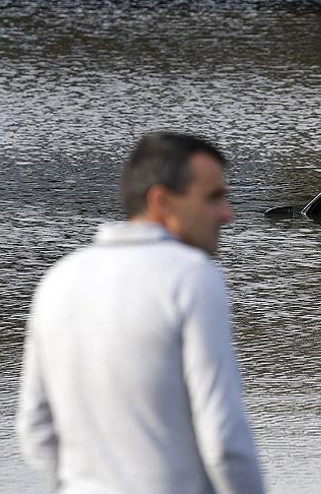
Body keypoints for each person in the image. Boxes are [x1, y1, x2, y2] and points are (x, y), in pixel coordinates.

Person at [17, 132, 265, 493]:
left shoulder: (59, 280)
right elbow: (225, 441)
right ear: (162, 201)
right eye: (213, 198)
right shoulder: (192, 277)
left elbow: (36, 428)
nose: (228, 214)